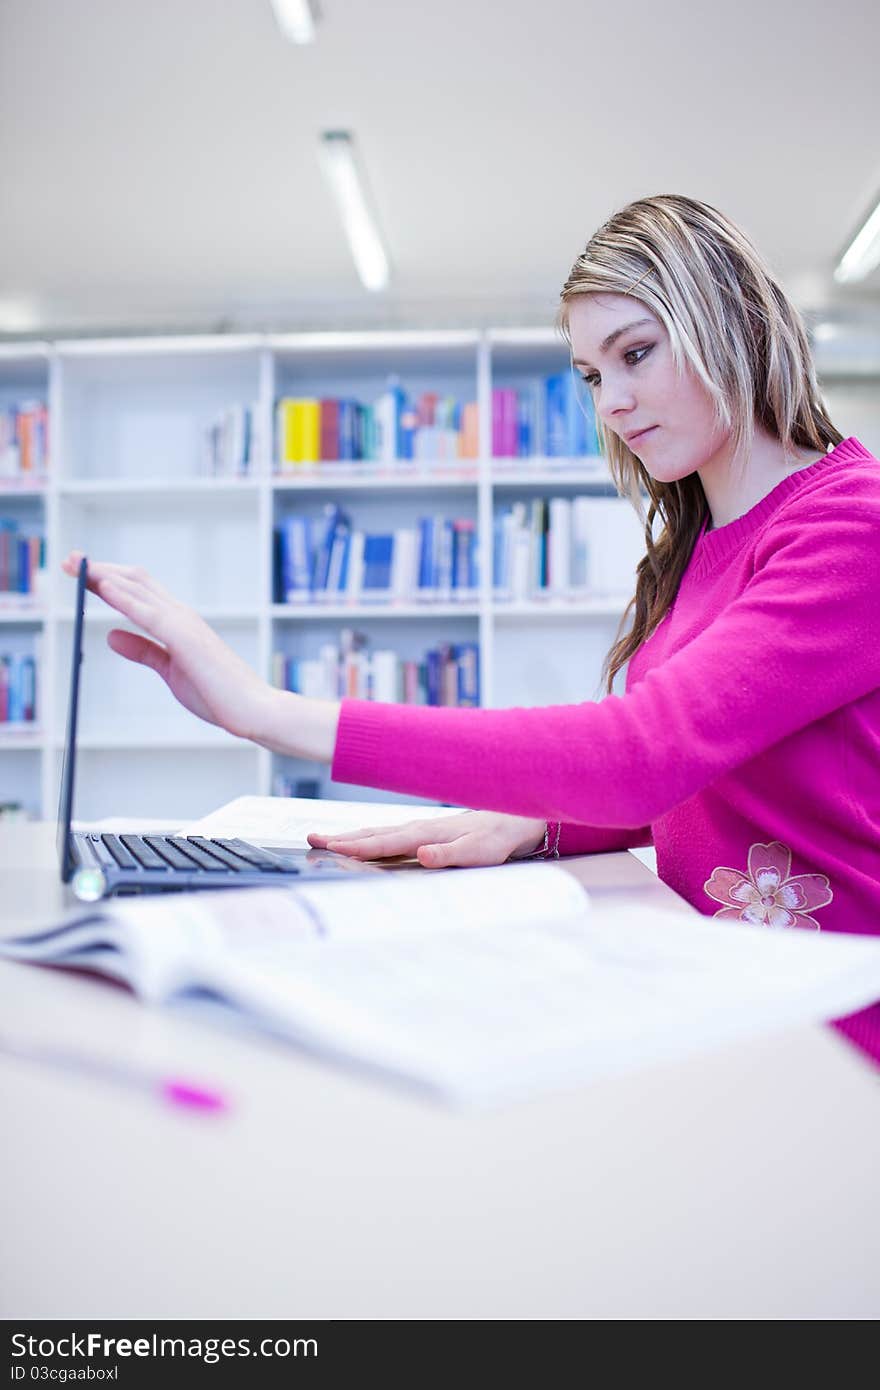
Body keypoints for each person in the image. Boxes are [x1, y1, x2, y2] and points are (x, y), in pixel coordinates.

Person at [63, 195, 880, 980]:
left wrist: (268, 712)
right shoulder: (697, 539)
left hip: (831, 1016)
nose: (615, 404)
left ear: (733, 322)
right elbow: (713, 773)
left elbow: (646, 752)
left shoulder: (852, 525)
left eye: (635, 354)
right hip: (728, 977)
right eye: (592, 376)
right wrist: (537, 822)